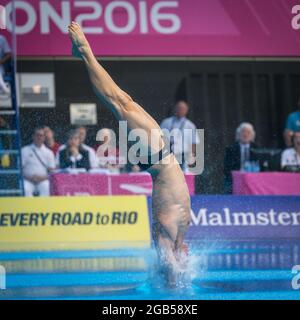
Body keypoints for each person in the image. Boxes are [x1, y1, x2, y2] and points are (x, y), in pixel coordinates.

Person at [68, 22, 190, 286]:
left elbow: (170, 263)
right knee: (123, 101)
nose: (184, 255)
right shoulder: (176, 233)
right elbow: (174, 265)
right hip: (160, 154)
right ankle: (84, 54)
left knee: (119, 104)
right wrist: (176, 278)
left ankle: (85, 52)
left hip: (157, 156)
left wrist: (171, 277)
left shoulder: (168, 235)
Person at [160, 101, 199, 171]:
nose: (181, 111)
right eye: (179, 108)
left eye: (183, 109)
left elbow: (193, 142)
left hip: (183, 155)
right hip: (168, 154)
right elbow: (160, 138)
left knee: (184, 174)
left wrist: (192, 156)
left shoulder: (190, 125)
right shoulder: (166, 122)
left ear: (186, 111)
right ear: (175, 109)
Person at [224, 122, 258, 194]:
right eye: (243, 132)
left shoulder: (257, 149)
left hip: (253, 178)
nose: (245, 134)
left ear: (252, 135)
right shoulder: (231, 149)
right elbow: (226, 167)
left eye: (248, 132)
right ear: (238, 134)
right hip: (235, 178)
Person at [21, 127, 56, 196]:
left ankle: (44, 207)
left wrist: (42, 178)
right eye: (37, 135)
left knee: (47, 187)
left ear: (44, 137)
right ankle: (29, 207)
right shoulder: (24, 150)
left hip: (43, 180)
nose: (39, 137)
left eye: (41, 135)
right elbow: (20, 169)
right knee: (25, 188)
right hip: (27, 180)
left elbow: (52, 171)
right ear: (33, 136)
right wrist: (29, 178)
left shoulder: (49, 152)